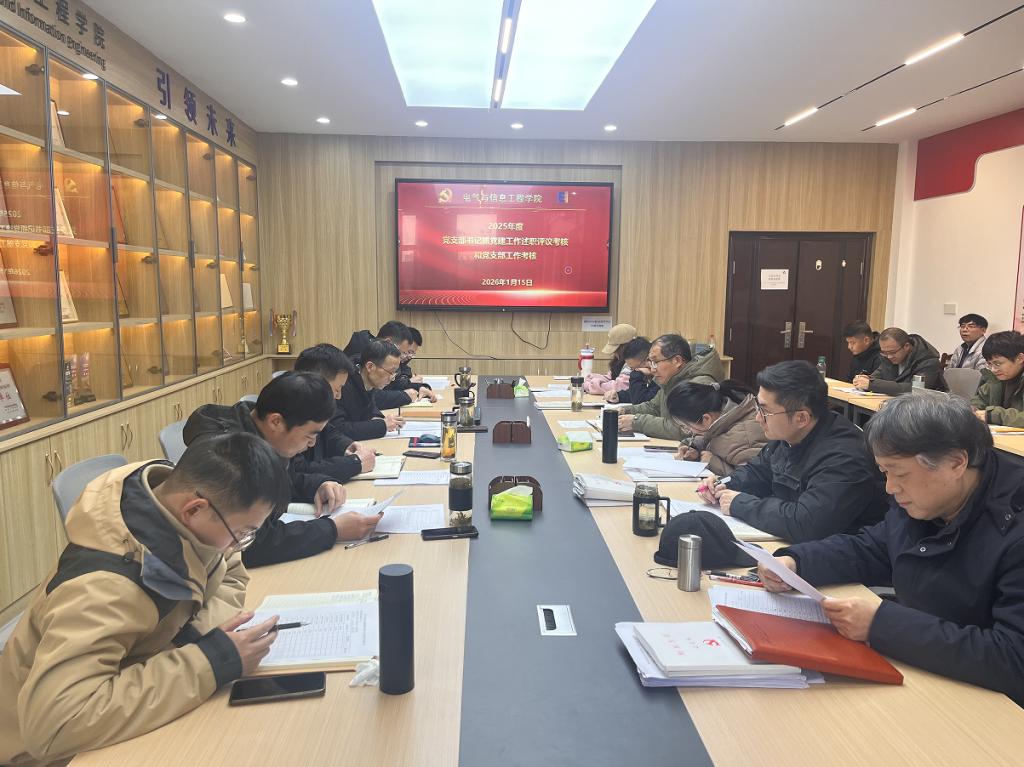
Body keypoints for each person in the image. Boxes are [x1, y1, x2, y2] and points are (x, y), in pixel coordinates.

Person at [0, 433, 290, 764]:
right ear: (194, 509)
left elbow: (231, 574)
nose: (239, 544)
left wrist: (189, 641)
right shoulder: (103, 588)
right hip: (49, 753)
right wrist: (209, 660)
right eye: (242, 533)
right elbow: (55, 725)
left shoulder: (179, 509)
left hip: (118, 699)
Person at [759, 394, 1024, 706]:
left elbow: (1013, 658)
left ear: (956, 462)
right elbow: (874, 548)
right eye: (884, 473)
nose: (890, 487)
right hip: (929, 671)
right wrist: (797, 562)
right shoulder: (929, 500)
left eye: (899, 473)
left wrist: (881, 625)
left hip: (990, 705)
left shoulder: (1012, 528)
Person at [183, 372, 382, 566]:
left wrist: (316, 485)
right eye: (309, 436)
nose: (312, 444)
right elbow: (251, 544)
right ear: (276, 422)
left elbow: (285, 478)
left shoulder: (258, 432)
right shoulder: (233, 457)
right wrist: (333, 529)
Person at [697, 360, 887, 542]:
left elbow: (809, 523)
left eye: (765, 411)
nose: (758, 418)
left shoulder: (845, 457)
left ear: (801, 418)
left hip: (841, 555)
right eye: (757, 407)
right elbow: (757, 472)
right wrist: (724, 484)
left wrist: (741, 504)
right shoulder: (789, 436)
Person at [293, 343, 376, 480]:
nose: (339, 396)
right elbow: (299, 471)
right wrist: (355, 463)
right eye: (337, 389)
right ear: (317, 382)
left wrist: (347, 445)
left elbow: (328, 432)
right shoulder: (290, 411)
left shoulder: (313, 407)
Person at [617, 334, 724, 440]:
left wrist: (637, 422)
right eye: (651, 362)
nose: (652, 369)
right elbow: (654, 407)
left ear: (677, 361)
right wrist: (625, 411)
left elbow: (684, 429)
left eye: (656, 362)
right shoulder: (672, 380)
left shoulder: (699, 384)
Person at [667, 380, 767, 476]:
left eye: (686, 427)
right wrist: (694, 448)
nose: (689, 432)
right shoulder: (723, 416)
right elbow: (712, 439)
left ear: (706, 419)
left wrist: (712, 462)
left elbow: (750, 480)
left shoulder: (745, 437)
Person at [332, 339, 405, 440]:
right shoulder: (343, 385)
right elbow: (339, 429)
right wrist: (382, 425)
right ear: (370, 367)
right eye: (391, 372)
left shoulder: (368, 381)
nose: (392, 378)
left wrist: (378, 418)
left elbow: (370, 409)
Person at [852, 327, 946, 394]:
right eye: (884, 352)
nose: (889, 356)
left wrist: (872, 385)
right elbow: (877, 376)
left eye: (892, 352)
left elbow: (914, 390)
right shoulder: (888, 355)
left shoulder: (929, 361)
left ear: (906, 346)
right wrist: (865, 379)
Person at [972, 330, 1024, 426]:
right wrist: (971, 410)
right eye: (989, 364)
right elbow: (978, 402)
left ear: (1020, 358)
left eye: (997, 364)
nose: (993, 369)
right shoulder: (994, 379)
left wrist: (993, 415)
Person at [584, 323, 637, 394]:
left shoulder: (633, 362)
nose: (614, 353)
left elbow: (618, 386)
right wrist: (591, 378)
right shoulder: (622, 361)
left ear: (625, 347)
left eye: (616, 350)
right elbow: (611, 377)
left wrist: (589, 386)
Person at [605, 336, 659, 405]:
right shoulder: (650, 374)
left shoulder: (661, 376)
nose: (633, 371)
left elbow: (640, 401)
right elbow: (641, 393)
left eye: (635, 368)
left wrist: (637, 374)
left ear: (647, 360)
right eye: (631, 369)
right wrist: (619, 396)